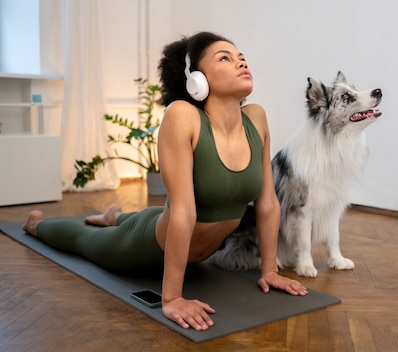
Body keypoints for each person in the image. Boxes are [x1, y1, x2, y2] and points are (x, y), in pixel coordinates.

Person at [22, 31, 308, 331]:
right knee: (85, 240)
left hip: (180, 238)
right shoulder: (184, 116)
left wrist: (270, 270)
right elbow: (183, 211)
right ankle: (36, 225)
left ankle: (114, 216)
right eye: (225, 58)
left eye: (241, 58)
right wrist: (171, 298)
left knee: (150, 216)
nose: (240, 63)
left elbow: (267, 202)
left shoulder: (256, 118)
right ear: (197, 79)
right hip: (146, 248)